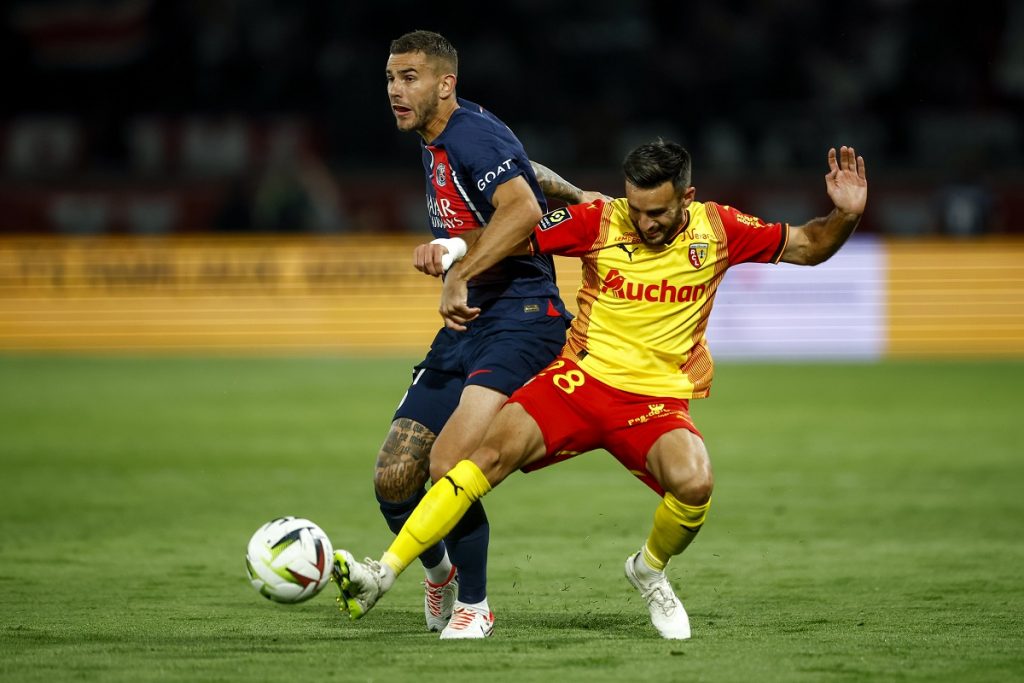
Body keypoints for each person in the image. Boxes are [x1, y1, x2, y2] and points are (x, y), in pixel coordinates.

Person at [332, 141, 868, 639]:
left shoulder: (721, 229)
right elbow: (515, 234)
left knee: (696, 484)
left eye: (657, 212)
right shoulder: (601, 219)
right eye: (636, 208)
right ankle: (385, 571)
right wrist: (452, 248)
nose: (644, 222)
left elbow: (809, 246)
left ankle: (649, 571)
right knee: (479, 458)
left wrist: (845, 214)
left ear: (688, 197)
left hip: (653, 401)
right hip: (578, 381)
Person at [357, 29, 597, 640]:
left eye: (408, 77)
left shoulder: (470, 133)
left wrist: (458, 271)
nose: (394, 90)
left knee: (448, 464)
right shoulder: (443, 134)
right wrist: (572, 187)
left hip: (521, 319)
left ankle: (475, 606)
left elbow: (520, 207)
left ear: (445, 83)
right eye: (390, 77)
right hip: (470, 328)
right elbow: (523, 173)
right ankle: (437, 571)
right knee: (393, 477)